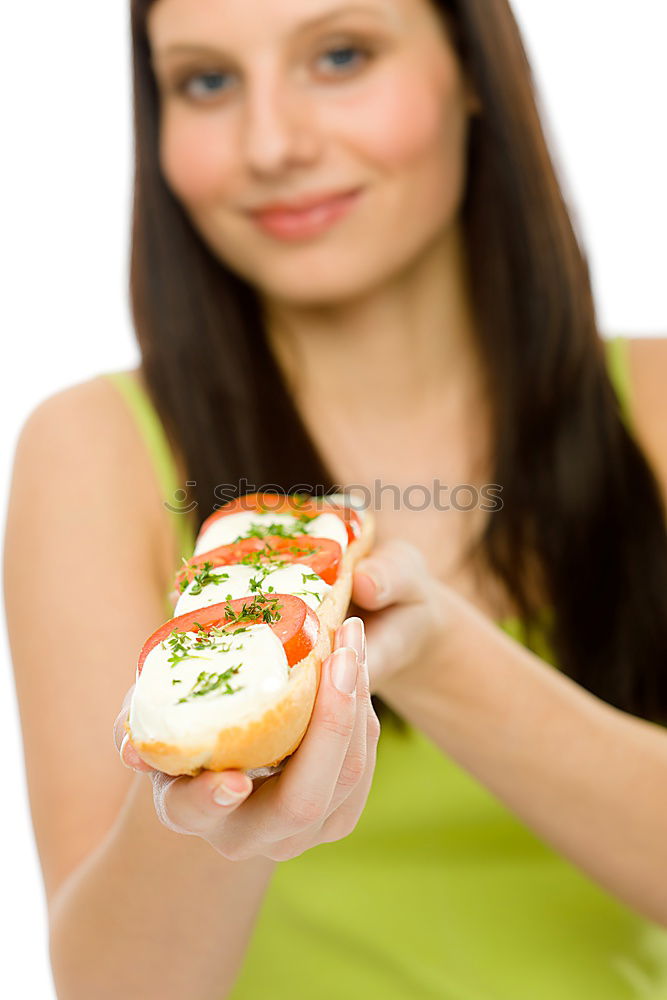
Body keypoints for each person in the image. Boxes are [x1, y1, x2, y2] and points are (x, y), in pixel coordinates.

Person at [4, 0, 667, 997]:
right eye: (207, 81)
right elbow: (108, 986)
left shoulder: (653, 406)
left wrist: (431, 649)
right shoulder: (92, 448)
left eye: (341, 55)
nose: (272, 143)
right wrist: (206, 808)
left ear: (475, 65)